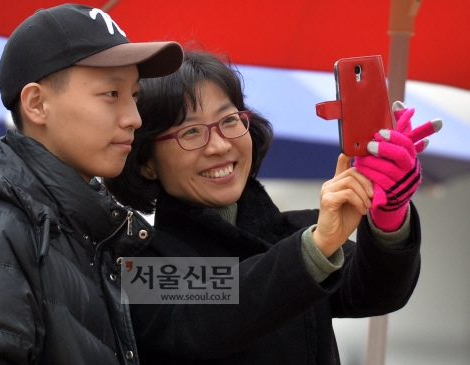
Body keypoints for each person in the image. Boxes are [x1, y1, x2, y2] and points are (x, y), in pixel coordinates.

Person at [103, 50, 442, 364]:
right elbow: (213, 315)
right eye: (191, 132)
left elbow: (377, 292)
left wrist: (390, 214)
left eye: (230, 121)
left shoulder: (300, 232)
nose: (220, 146)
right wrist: (315, 248)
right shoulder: (140, 262)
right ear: (146, 161)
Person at [0, 4, 182, 364]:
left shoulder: (87, 229)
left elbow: (209, 295)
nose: (134, 118)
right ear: (37, 104)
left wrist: (280, 253)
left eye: (135, 95)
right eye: (111, 94)